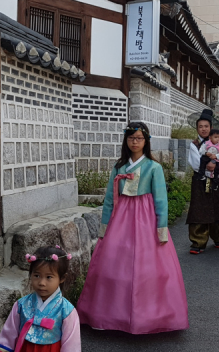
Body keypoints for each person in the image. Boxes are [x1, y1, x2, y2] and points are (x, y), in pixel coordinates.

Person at [77, 122, 188, 333]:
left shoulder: (153, 167)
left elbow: (161, 200)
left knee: (146, 267)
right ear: (126, 141)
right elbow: (110, 198)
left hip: (145, 219)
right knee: (114, 262)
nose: (134, 142)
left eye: (139, 138)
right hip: (121, 218)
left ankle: (151, 316)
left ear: (146, 142)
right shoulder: (119, 167)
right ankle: (109, 314)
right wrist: (104, 226)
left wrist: (161, 227)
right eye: (131, 138)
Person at [0, 245, 81, 352]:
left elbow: (71, 345)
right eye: (37, 276)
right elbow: (8, 336)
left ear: (62, 278)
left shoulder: (67, 310)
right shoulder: (21, 305)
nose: (41, 283)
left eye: (49, 277)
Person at [187, 109, 219, 254]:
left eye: (206, 126)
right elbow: (195, 163)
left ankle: (218, 238)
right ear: (197, 128)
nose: (203, 129)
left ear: (211, 128)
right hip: (200, 179)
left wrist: (216, 165)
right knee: (199, 210)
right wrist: (209, 168)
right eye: (200, 126)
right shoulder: (195, 144)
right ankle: (198, 241)